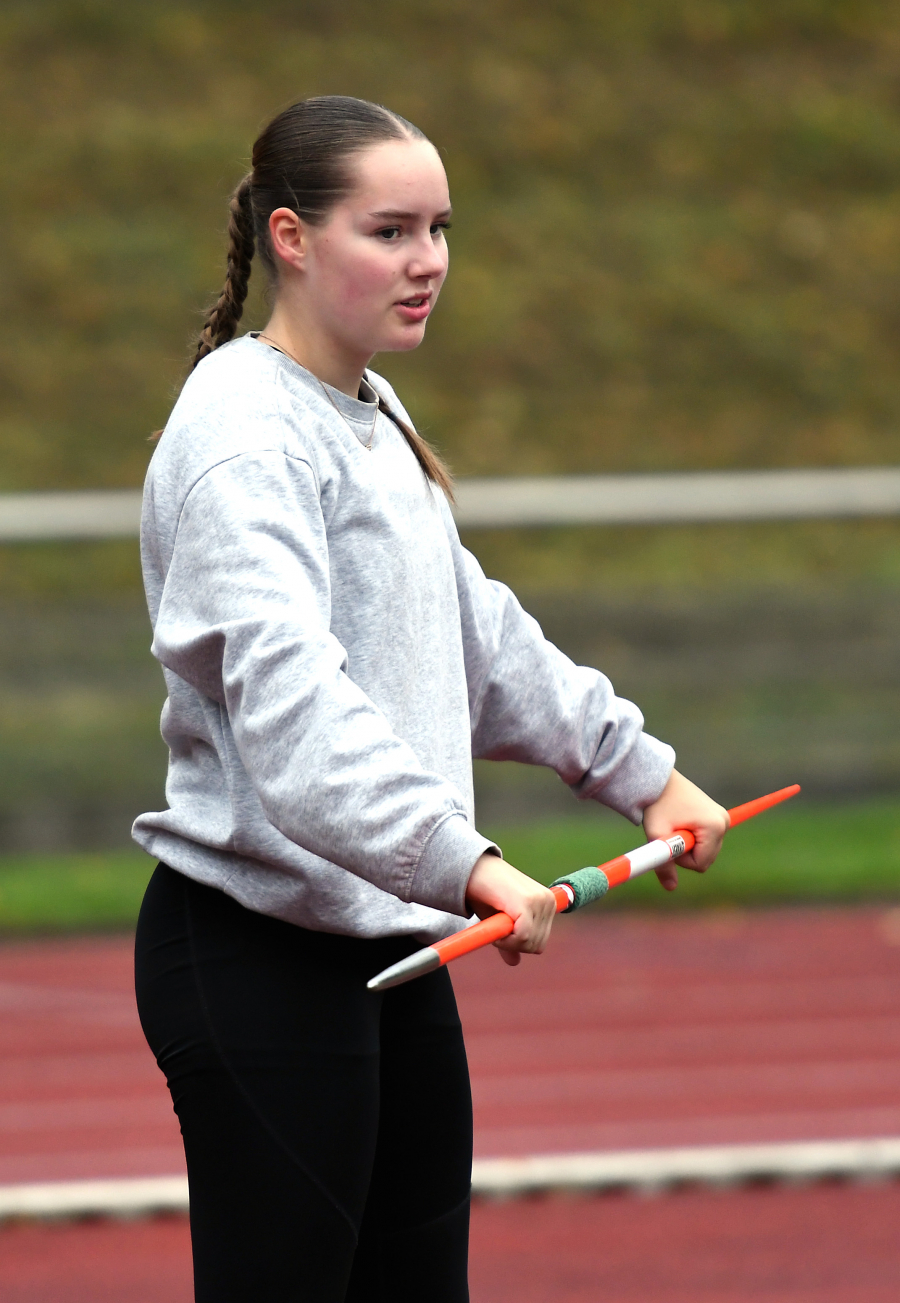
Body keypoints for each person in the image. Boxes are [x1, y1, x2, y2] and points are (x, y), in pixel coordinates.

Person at [133, 95, 728, 1302]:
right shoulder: (245, 439)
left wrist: (638, 771)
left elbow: (472, 632)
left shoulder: (367, 408)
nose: (429, 264)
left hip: (388, 941)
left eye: (441, 229)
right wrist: (467, 860)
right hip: (257, 949)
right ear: (293, 239)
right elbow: (296, 712)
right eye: (391, 231)